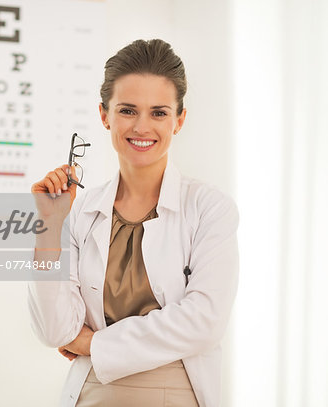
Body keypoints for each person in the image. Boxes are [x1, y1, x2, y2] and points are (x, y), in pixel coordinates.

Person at [28, 39, 239, 407]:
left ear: (179, 120)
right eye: (127, 110)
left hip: (177, 393)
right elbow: (55, 329)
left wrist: (94, 344)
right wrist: (49, 226)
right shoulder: (80, 210)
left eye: (159, 112)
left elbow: (204, 321)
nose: (142, 127)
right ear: (104, 114)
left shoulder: (209, 208)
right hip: (92, 392)